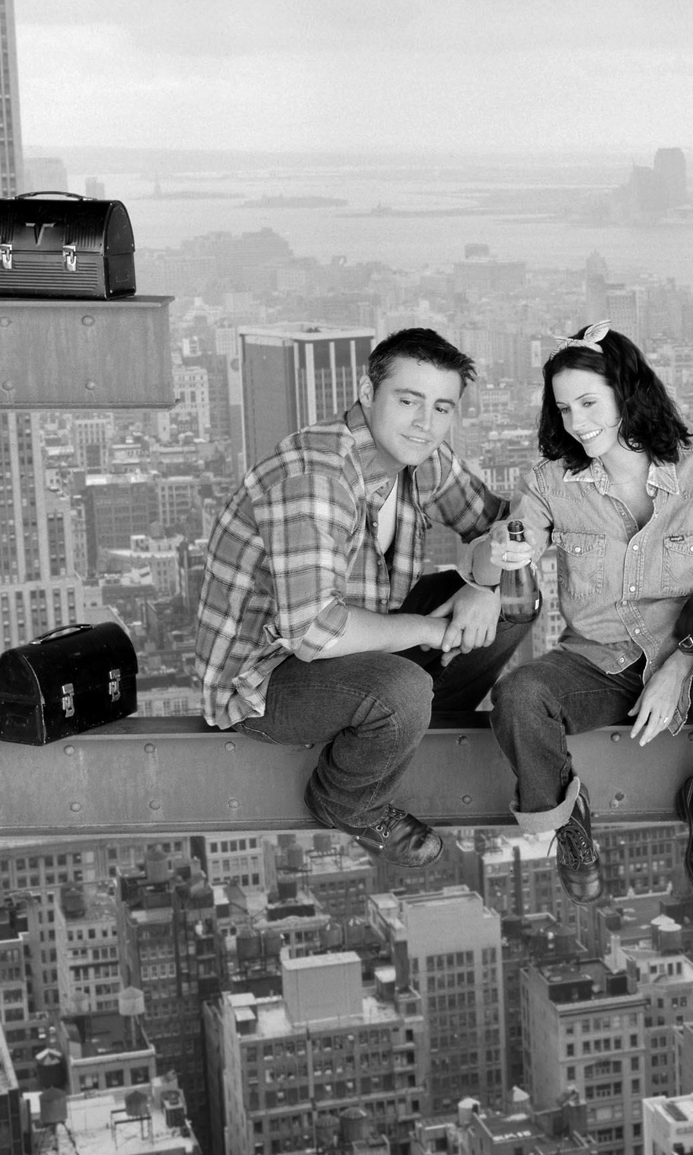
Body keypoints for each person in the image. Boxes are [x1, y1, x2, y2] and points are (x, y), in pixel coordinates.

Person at [487, 322, 693, 905]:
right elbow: (522, 533)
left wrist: (679, 666)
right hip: (597, 664)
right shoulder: (550, 484)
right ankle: (567, 819)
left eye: (589, 403)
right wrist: (509, 548)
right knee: (518, 696)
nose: (576, 421)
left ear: (626, 393)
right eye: (564, 408)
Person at [197, 327, 531, 869]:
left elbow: (503, 523)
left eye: (441, 408)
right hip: (266, 681)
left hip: (363, 639)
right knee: (401, 689)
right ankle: (346, 800)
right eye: (408, 401)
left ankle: (405, 725)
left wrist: (485, 587)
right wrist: (433, 630)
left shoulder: (420, 457)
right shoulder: (317, 478)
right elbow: (314, 632)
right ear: (366, 392)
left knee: (516, 601)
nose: (424, 423)